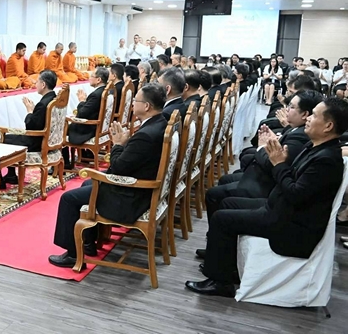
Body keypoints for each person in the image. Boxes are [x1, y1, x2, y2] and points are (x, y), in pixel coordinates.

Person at [186, 98, 348, 297]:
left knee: (222, 219)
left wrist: (278, 163)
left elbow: (295, 193)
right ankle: (224, 263)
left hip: (291, 224)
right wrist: (277, 153)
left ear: (328, 126)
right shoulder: (316, 147)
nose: (308, 118)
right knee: (227, 202)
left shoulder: (326, 160)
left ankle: (220, 282)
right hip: (280, 208)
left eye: (314, 115)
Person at [49, 84, 168, 268]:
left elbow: (118, 167)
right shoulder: (161, 122)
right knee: (88, 183)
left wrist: (119, 144)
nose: (132, 104)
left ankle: (73, 254)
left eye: (135, 100)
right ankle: (88, 243)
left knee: (68, 198)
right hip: (143, 185)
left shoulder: (146, 135)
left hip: (132, 196)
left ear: (146, 106)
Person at [202, 90, 323, 227]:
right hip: (261, 177)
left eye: (292, 107)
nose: (286, 109)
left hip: (265, 185)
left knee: (214, 195)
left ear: (305, 114)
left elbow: (272, 164)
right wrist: (272, 141)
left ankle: (218, 232)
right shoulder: (295, 129)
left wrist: (263, 147)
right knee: (226, 179)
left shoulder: (300, 136)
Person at [0, 70, 60, 189]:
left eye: (37, 82)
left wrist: (29, 111)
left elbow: (31, 126)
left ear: (43, 84)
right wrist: (34, 111)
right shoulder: (54, 99)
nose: (35, 84)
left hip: (35, 143)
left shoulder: (43, 104)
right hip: (48, 141)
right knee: (9, 138)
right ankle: (11, 175)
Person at [62, 67, 109, 169]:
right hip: (101, 129)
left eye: (91, 76)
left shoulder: (96, 95)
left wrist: (82, 101)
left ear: (98, 79)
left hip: (89, 129)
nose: (89, 78)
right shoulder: (106, 91)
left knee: (61, 129)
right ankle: (85, 155)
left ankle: (65, 163)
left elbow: (82, 114)